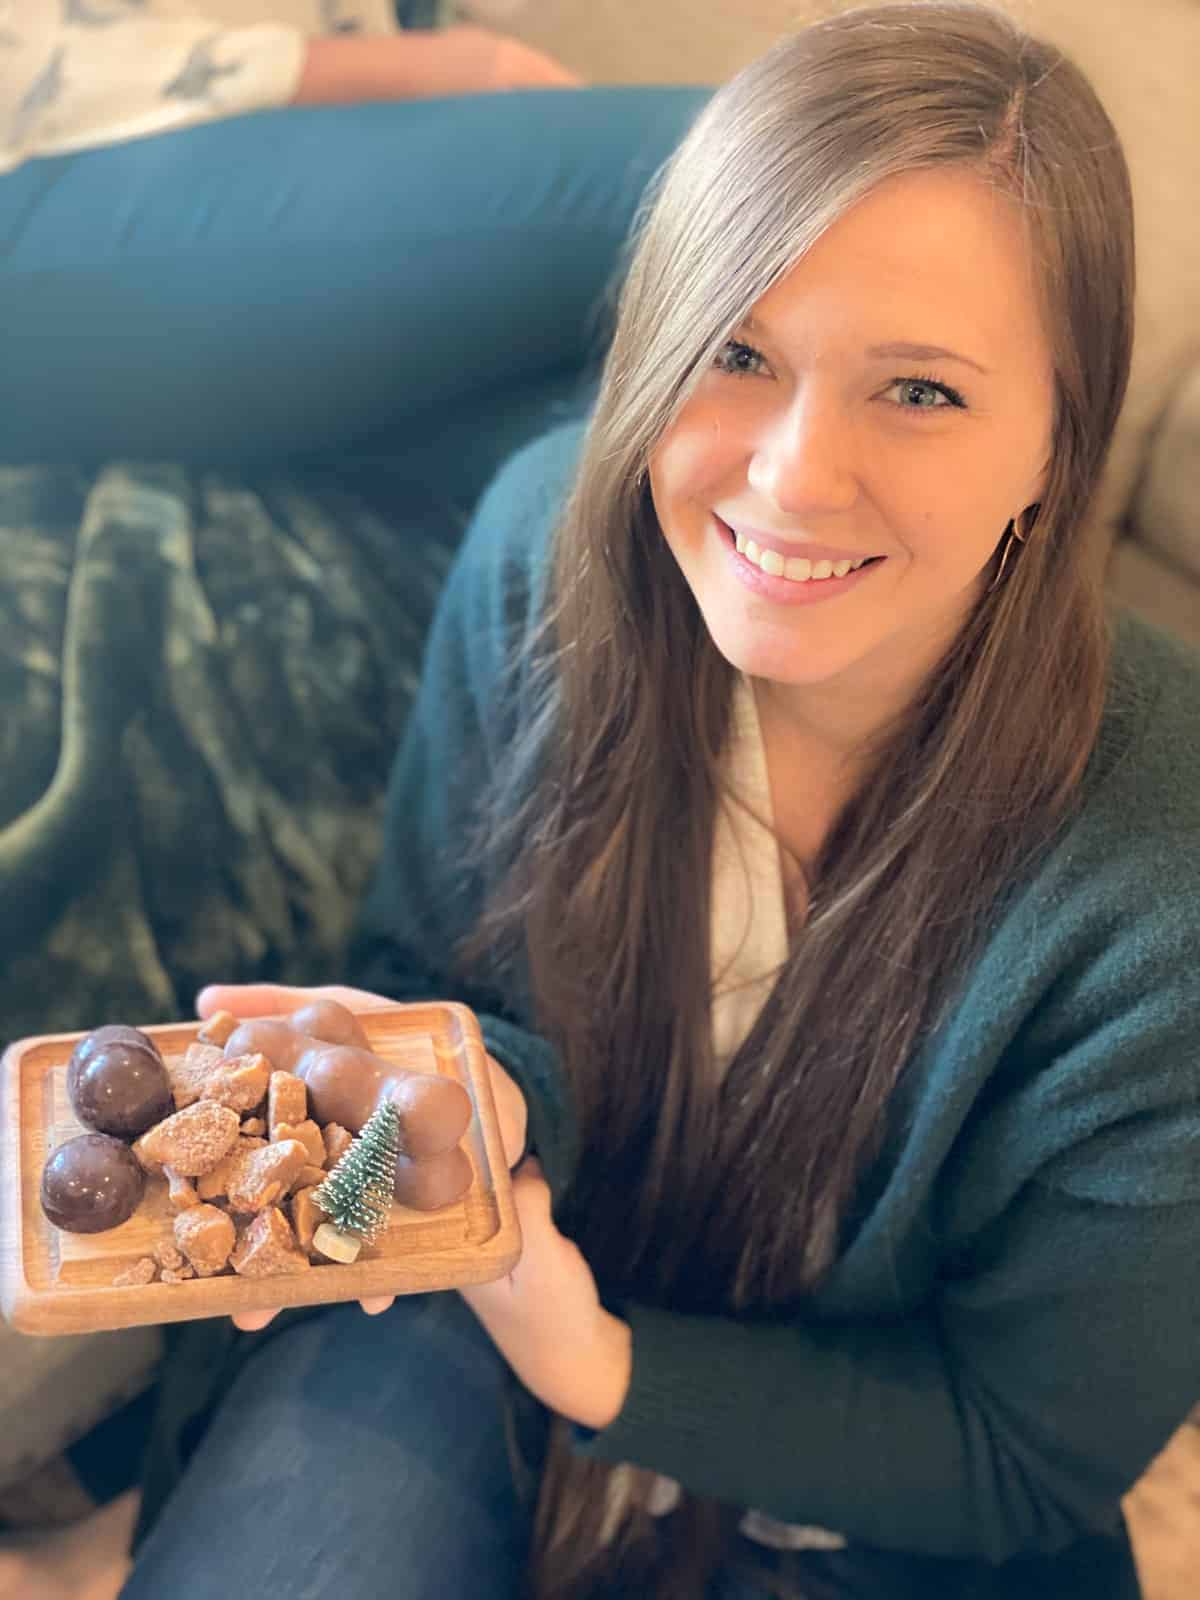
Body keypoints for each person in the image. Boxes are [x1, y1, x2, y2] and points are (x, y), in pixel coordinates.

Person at [26, 2, 1200, 1596]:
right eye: (736, 351)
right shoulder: (540, 557)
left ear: (1063, 438)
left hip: (884, 1482)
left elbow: (1019, 1448)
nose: (792, 476)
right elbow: (446, 983)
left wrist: (606, 1373)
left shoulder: (1162, 888)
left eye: (918, 390)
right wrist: (431, 1139)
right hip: (489, 1293)